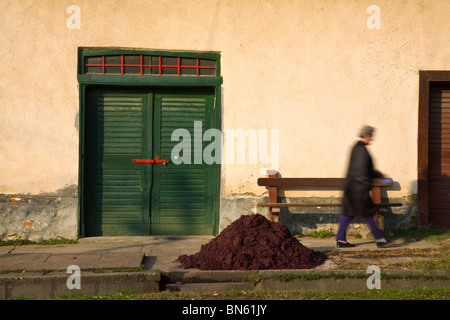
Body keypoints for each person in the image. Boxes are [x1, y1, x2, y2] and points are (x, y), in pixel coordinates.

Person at [336, 125, 389, 248]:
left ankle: (341, 239)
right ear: (367, 136)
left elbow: (364, 169)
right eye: (371, 136)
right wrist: (374, 177)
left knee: (348, 213)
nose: (372, 138)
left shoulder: (356, 147)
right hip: (359, 189)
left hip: (351, 187)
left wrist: (375, 174)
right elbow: (363, 170)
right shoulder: (362, 150)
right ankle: (379, 238)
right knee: (368, 213)